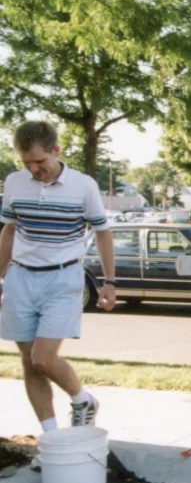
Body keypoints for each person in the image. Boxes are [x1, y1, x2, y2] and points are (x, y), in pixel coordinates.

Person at [0, 121, 117, 436]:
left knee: (43, 358)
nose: (34, 169)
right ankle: (51, 437)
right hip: (20, 278)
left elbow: (103, 233)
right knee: (28, 360)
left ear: (56, 151)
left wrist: (109, 281)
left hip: (63, 279)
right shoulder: (14, 183)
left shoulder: (83, 186)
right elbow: (9, 231)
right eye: (27, 163)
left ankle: (82, 400)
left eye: (40, 161)